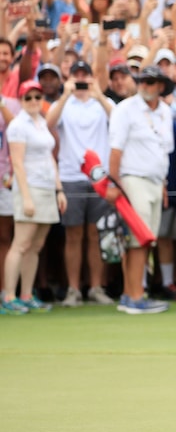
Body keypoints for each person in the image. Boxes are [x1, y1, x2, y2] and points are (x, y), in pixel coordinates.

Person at [46, 62, 115, 307]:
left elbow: (117, 121)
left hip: (99, 177)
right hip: (71, 176)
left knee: (96, 234)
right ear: (71, 77)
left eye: (85, 75)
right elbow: (49, 124)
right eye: (77, 75)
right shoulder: (63, 103)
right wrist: (66, 95)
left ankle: (96, 287)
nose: (81, 79)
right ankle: (74, 289)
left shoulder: (102, 102)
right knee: (73, 235)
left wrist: (98, 94)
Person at [107, 67, 174, 315]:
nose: (145, 85)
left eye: (151, 81)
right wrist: (115, 185)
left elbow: (163, 152)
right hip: (132, 179)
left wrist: (164, 184)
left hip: (156, 181)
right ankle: (135, 296)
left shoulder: (165, 112)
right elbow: (115, 151)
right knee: (138, 239)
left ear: (160, 86)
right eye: (142, 81)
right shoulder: (125, 109)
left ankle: (130, 295)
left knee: (147, 240)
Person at [1, 81, 64, 315]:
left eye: (37, 97)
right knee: (21, 244)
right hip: (29, 188)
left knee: (35, 246)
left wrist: (59, 189)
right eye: (28, 98)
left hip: (46, 187)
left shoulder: (41, 123)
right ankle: (9, 296)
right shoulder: (18, 125)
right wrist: (26, 197)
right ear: (21, 100)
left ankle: (26, 295)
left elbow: (49, 158)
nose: (34, 101)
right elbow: (17, 162)